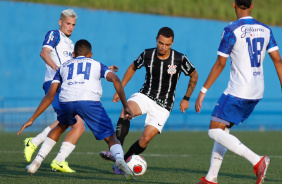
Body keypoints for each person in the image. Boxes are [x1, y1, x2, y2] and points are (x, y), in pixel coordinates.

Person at [17, 39, 135, 180]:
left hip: (67, 101)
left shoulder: (63, 67)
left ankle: (36, 162)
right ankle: (120, 159)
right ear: (90, 55)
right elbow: (115, 79)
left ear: (73, 54)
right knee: (111, 137)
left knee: (61, 126)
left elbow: (50, 95)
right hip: (89, 101)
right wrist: (126, 105)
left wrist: (32, 119)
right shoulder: (97, 64)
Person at [195, 1, 282, 184]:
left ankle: (257, 160)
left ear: (233, 4)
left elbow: (220, 63)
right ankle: (211, 178)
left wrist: (203, 90)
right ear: (252, 5)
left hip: (238, 90)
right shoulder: (266, 29)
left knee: (213, 131)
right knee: (222, 130)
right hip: (257, 91)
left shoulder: (231, 30)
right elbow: (278, 61)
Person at [99, 27, 198, 174]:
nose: (163, 47)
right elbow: (133, 67)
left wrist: (186, 98)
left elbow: (194, 75)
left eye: (167, 44)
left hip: (164, 106)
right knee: (126, 111)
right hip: (145, 96)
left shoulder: (179, 59)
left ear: (172, 43)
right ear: (156, 39)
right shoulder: (147, 54)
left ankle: (121, 163)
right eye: (160, 43)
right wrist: (121, 89)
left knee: (145, 139)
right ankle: (116, 153)